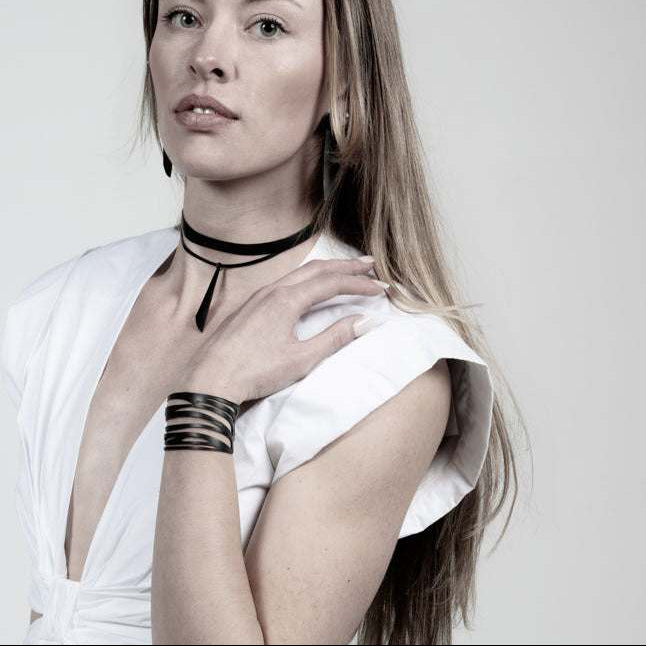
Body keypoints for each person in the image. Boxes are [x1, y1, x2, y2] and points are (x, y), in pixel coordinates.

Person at [1, 0, 527, 644]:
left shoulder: (380, 363)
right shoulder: (68, 303)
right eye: (183, 16)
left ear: (345, 83)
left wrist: (206, 400)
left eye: (267, 25)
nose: (207, 57)